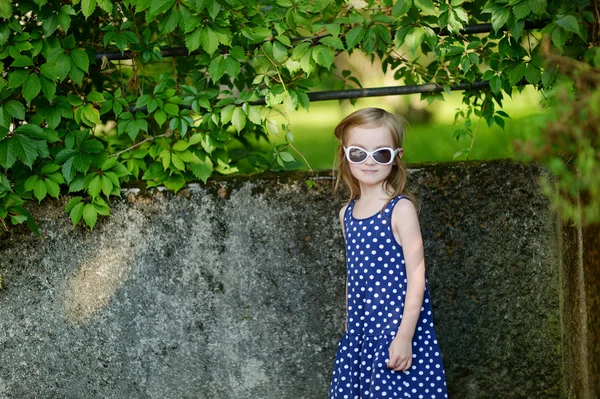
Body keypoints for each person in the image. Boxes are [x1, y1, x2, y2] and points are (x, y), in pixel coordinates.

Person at [329, 108, 448, 398]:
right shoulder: (347, 214)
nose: (369, 162)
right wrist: (350, 325)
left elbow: (417, 278)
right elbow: (353, 276)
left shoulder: (400, 209)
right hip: (362, 332)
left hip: (396, 329)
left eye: (381, 153)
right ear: (345, 154)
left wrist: (405, 336)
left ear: (396, 157)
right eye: (358, 153)